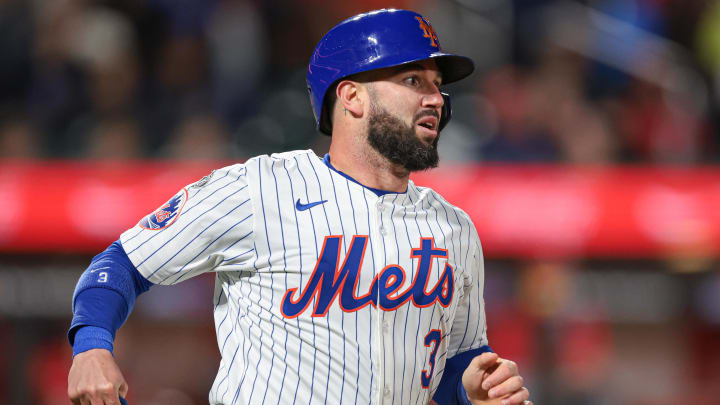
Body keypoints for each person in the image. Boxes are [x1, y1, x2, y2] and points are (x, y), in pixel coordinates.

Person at [67, 9, 532, 405]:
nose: (435, 98)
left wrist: (475, 385)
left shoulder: (454, 228)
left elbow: (455, 359)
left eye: (436, 85)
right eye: (413, 80)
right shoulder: (259, 188)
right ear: (351, 97)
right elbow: (121, 264)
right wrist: (91, 345)